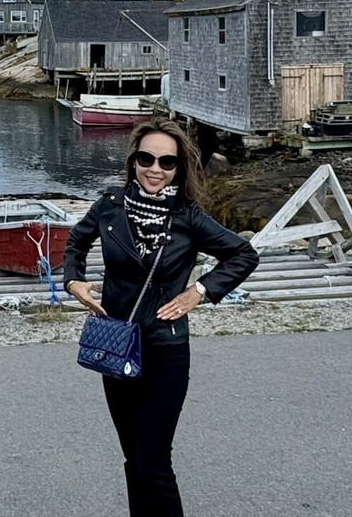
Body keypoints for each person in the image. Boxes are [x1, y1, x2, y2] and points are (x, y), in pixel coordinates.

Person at [63, 118, 259, 517]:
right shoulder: (110, 206)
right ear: (133, 161)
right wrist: (73, 282)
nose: (155, 169)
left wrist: (198, 291)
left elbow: (243, 254)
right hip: (117, 346)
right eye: (146, 159)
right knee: (134, 458)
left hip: (166, 349)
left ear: (178, 167)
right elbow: (76, 242)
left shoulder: (188, 216)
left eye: (167, 162)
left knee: (154, 462)